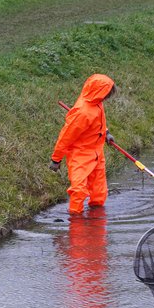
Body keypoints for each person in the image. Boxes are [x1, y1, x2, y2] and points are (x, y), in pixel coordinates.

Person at [50, 74, 116, 216]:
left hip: (97, 154)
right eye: (107, 93)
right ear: (100, 92)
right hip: (80, 155)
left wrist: (106, 133)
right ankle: (75, 219)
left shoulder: (97, 102)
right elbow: (65, 137)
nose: (107, 97)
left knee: (99, 192)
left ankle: (96, 220)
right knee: (78, 191)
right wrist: (56, 159)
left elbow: (98, 122)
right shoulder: (82, 112)